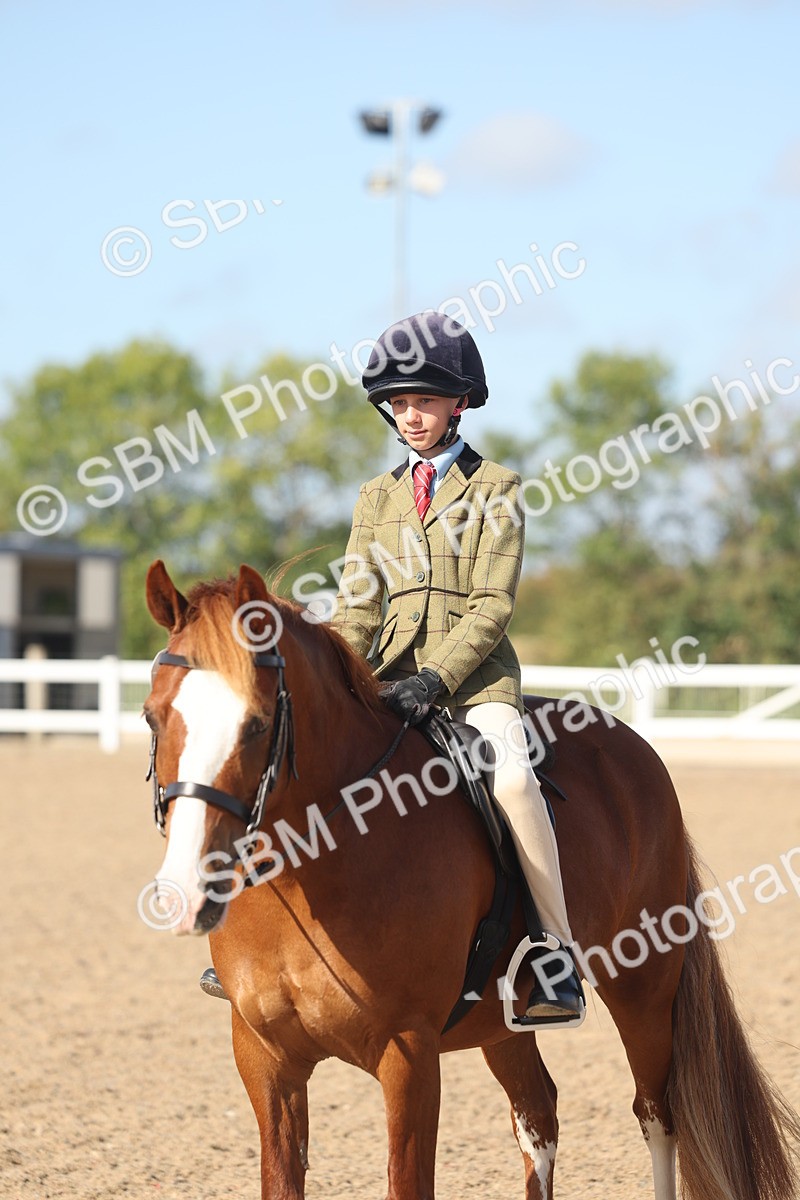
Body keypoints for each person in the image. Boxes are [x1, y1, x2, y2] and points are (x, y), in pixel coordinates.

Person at [329, 311, 584, 1023]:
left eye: (425, 401)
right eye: (400, 403)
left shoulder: (496, 487)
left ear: (458, 402)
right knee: (301, 759)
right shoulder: (375, 498)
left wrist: (433, 679)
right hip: (386, 680)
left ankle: (555, 956)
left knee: (512, 778)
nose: (411, 416)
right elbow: (356, 606)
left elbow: (491, 605)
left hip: (473, 685)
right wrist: (340, 673)